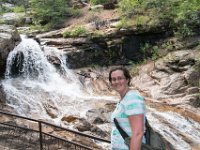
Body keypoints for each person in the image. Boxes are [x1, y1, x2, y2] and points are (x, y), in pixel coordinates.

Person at [109, 67, 146, 150]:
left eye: (120, 78)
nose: (117, 82)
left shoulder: (132, 98)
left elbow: (138, 133)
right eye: (113, 79)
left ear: (127, 80)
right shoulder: (124, 99)